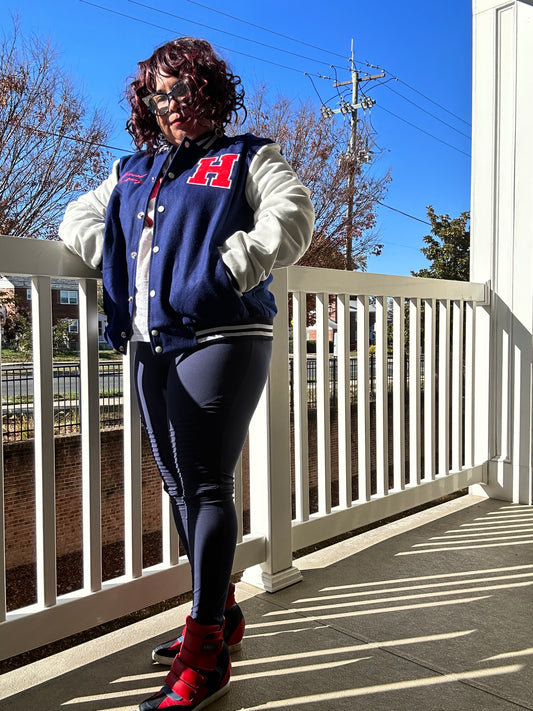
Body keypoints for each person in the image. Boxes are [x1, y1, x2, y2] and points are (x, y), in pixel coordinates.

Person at [59, 36, 314, 710]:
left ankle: (205, 654)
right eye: (156, 95)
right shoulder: (132, 170)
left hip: (224, 333)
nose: (170, 104)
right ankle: (220, 612)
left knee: (204, 484)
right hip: (150, 341)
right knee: (178, 484)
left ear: (209, 88)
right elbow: (75, 216)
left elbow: (291, 214)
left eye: (181, 88)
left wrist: (226, 269)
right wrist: (118, 259)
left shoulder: (247, 156)